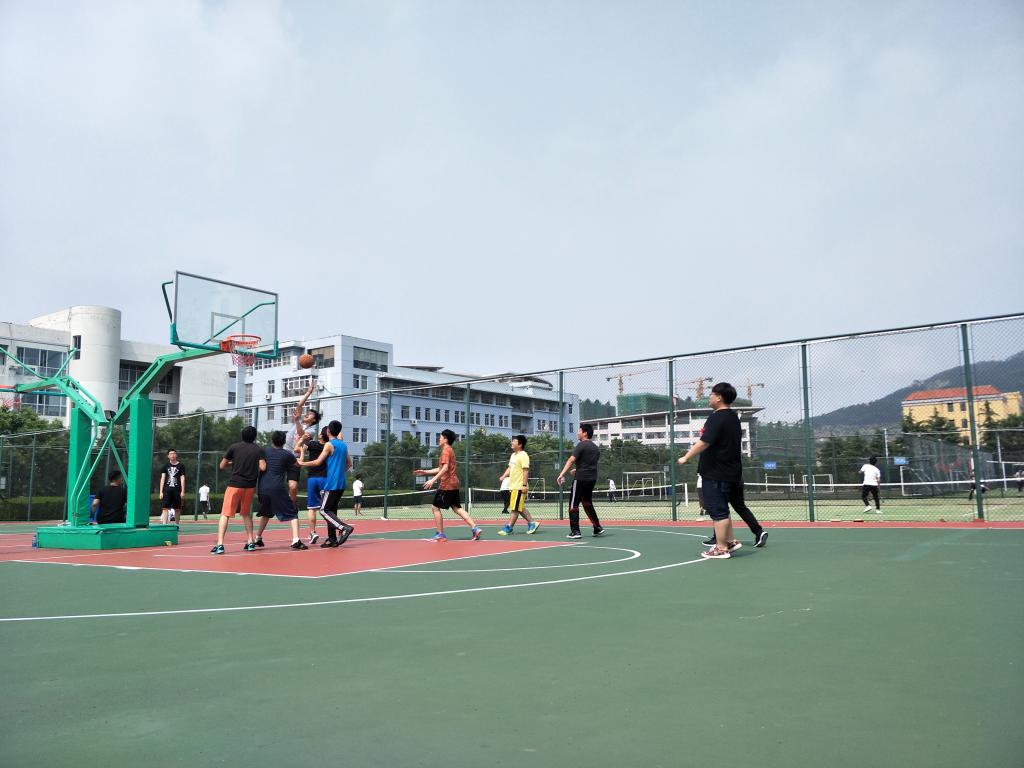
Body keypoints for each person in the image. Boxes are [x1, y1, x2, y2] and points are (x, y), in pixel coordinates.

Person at [678, 382, 757, 559]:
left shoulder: (717, 417)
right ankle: (730, 541)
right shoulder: (733, 417)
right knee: (723, 509)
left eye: (712, 394)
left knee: (717, 510)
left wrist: (686, 456)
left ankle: (721, 548)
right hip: (731, 472)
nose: (709, 397)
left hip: (716, 473)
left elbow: (705, 441)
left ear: (719, 397)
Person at [413, 429, 482, 541]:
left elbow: (444, 468)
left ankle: (440, 534)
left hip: (447, 484)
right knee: (457, 508)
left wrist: (433, 480)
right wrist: (425, 472)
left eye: (440, 437)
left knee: (435, 508)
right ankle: (475, 528)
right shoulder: (450, 450)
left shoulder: (445, 450)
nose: (438, 439)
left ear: (445, 439)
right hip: (454, 483)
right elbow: (441, 468)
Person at [298, 420, 354, 548]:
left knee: (323, 510)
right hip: (341, 483)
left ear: (328, 431)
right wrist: (339, 473)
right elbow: (349, 464)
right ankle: (332, 539)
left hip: (332, 483)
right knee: (331, 510)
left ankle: (344, 528)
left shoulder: (329, 445)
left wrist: (302, 463)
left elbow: (317, 462)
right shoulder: (343, 445)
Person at [212, 425, 266, 555]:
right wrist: (253, 465)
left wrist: (234, 462)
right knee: (246, 514)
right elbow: (263, 467)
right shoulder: (259, 449)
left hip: (235, 484)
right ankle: (250, 542)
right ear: (254, 436)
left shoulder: (234, 447)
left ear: (242, 435)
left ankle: (220, 544)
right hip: (250, 486)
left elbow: (222, 465)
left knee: (225, 514)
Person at [253, 431, 308, 550]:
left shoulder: (264, 451)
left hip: (262, 488)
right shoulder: (287, 455)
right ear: (284, 442)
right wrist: (302, 451)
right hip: (276, 488)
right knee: (293, 512)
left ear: (272, 440)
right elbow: (299, 464)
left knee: (266, 512)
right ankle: (296, 540)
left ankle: (257, 538)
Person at [556, 424, 605, 539]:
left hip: (580, 479)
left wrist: (561, 474)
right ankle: (597, 527)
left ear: (585, 433)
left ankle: (575, 531)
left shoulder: (581, 445)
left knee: (573, 504)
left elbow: (571, 460)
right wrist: (577, 469)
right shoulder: (596, 448)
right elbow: (589, 464)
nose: (578, 433)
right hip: (591, 479)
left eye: (579, 431)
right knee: (587, 503)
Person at [498, 435, 540, 535]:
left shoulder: (523, 455)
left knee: (515, 508)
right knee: (519, 507)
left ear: (520, 444)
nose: (512, 443)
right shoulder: (513, 455)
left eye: (514, 441)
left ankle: (509, 528)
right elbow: (510, 467)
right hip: (513, 486)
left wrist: (524, 485)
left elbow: (526, 471)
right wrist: (503, 476)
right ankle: (532, 523)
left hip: (519, 486)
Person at [302, 426, 330, 544]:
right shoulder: (329, 446)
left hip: (313, 479)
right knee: (328, 508)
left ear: (321, 435)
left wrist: (302, 439)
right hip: (325, 479)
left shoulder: (312, 444)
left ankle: (313, 532)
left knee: (312, 508)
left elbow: (298, 448)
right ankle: (332, 534)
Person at [158, 449, 186, 525]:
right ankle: (164, 525)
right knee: (165, 508)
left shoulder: (181, 466)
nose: (172, 455)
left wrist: (182, 491)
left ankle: (177, 525)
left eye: (174, 453)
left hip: (177, 490)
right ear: (168, 456)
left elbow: (182, 478)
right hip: (167, 490)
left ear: (176, 455)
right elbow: (162, 478)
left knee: (177, 509)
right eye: (171, 454)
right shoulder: (165, 466)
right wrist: (161, 492)